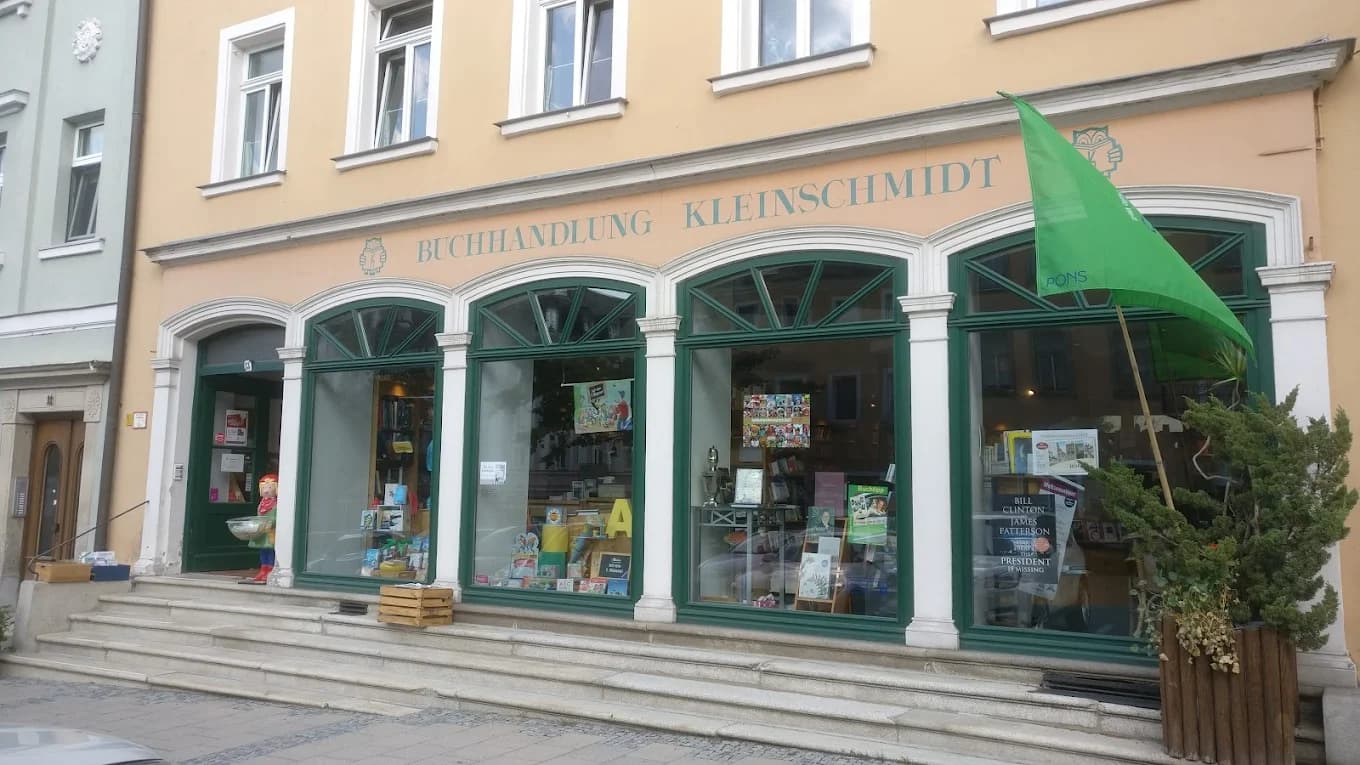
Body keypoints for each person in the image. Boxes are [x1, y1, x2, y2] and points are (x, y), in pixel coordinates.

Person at [245, 474, 278, 584]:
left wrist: (272, 522)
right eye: (264, 488)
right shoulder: (261, 504)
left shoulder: (276, 504)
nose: (266, 491)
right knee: (263, 550)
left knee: (271, 550)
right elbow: (259, 516)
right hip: (262, 531)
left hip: (271, 531)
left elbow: (276, 517)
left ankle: (271, 568)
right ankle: (263, 569)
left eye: (269, 488)